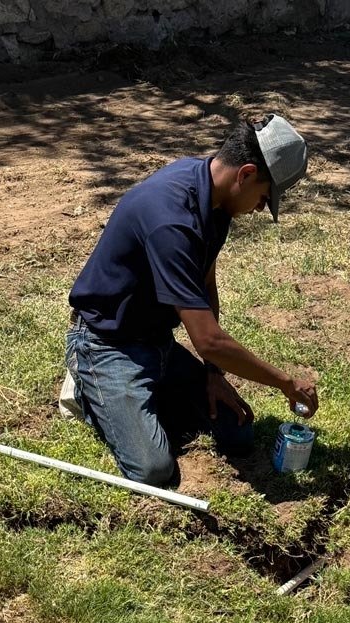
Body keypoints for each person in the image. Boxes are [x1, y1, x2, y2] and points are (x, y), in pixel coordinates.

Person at [62, 114, 319, 487]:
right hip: (107, 344)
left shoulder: (215, 200)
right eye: (264, 197)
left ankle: (143, 395)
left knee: (238, 434)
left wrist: (213, 374)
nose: (261, 208)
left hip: (157, 344)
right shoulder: (171, 219)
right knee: (153, 470)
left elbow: (206, 282)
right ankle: (88, 384)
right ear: (245, 174)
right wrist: (284, 382)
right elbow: (209, 340)